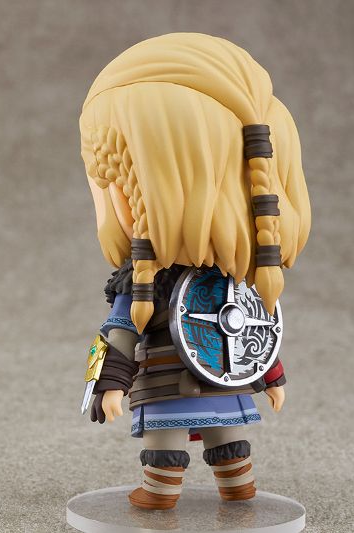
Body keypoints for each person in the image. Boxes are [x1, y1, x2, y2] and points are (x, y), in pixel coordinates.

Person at [79, 33, 311, 510]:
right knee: (226, 432)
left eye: (113, 181)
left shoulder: (159, 280)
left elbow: (122, 330)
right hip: (224, 376)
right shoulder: (217, 277)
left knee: (170, 441)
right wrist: (272, 377)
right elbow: (255, 327)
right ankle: (231, 482)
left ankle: (167, 490)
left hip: (174, 382)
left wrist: (108, 382)